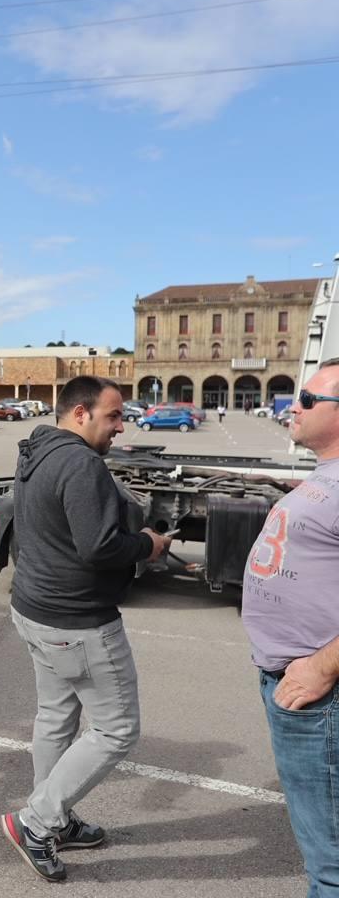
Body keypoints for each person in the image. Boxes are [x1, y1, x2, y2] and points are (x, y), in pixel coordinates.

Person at [0, 375, 171, 882]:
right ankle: (37, 822)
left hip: (36, 609)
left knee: (56, 715)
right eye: (113, 416)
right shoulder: (81, 463)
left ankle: (56, 817)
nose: (122, 426)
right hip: (76, 620)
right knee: (117, 729)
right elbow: (100, 548)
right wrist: (147, 544)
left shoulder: (37, 449)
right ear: (80, 413)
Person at [242, 358, 339, 897]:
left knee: (330, 864)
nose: (292, 406)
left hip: (320, 694)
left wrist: (322, 668)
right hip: (302, 683)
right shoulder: (325, 475)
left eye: (307, 399)